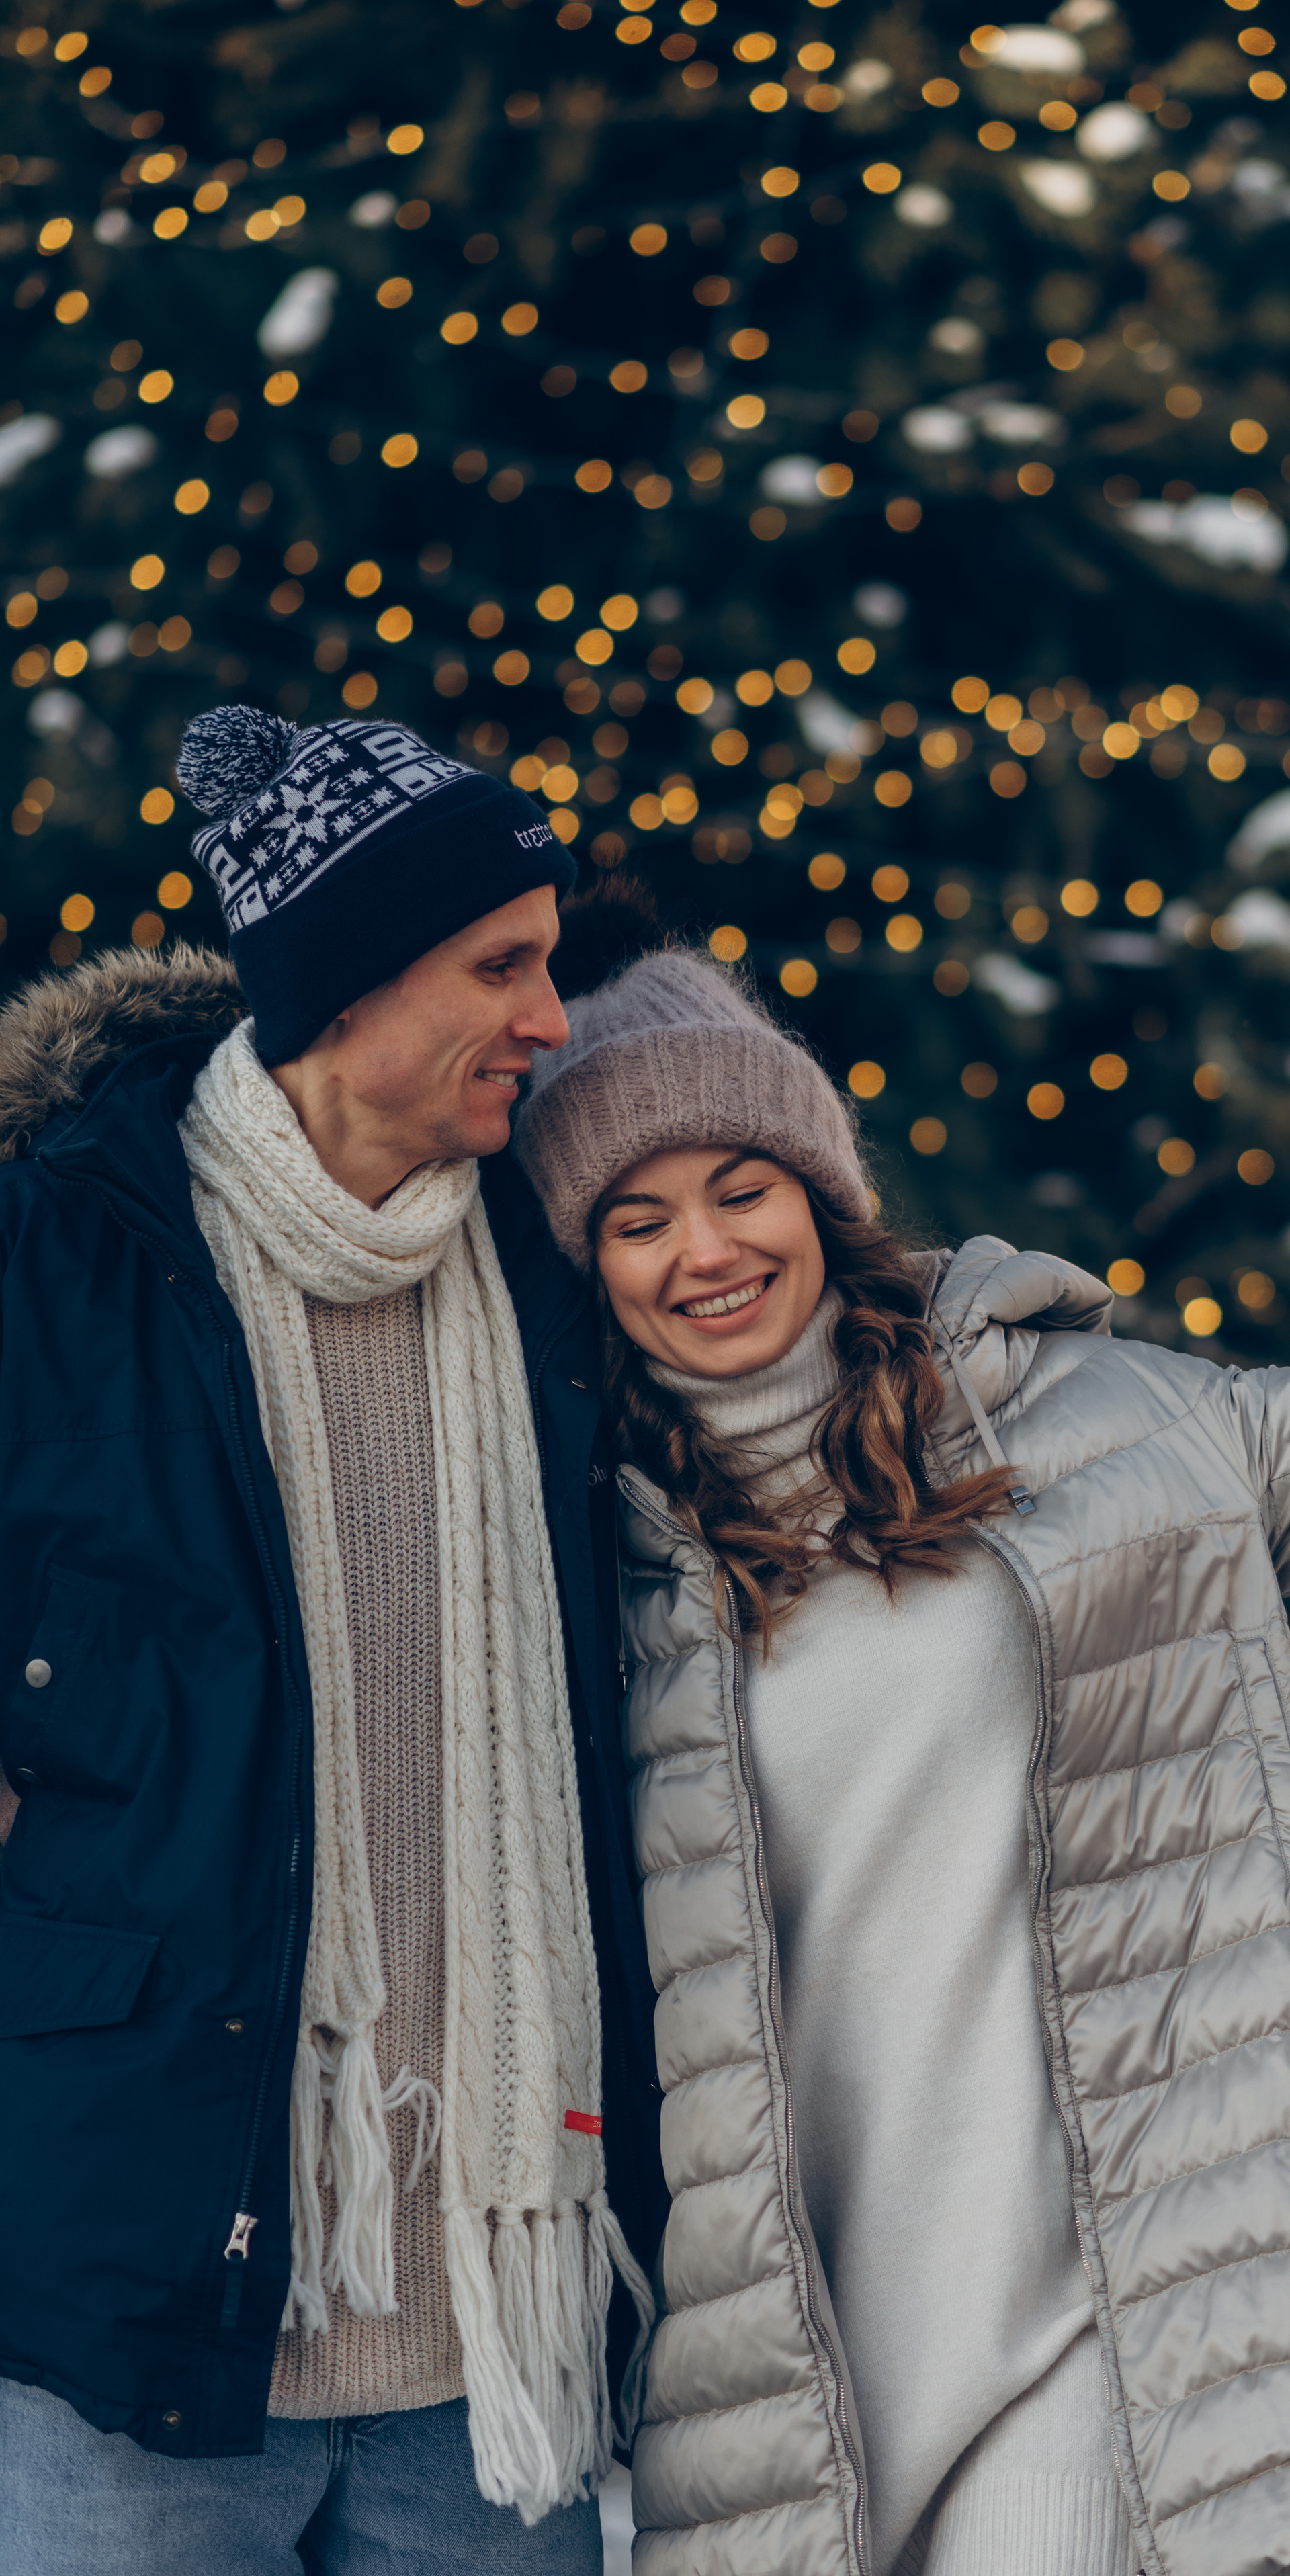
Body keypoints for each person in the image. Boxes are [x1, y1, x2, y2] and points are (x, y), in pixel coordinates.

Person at [514, 913, 1290, 2576]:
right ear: (585, 1260)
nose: (702, 1250)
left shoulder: (1106, 1427)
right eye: (634, 1218)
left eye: (741, 1188)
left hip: (1125, 2289)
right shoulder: (603, 1564)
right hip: (819, 2366)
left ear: (817, 1194)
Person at [0, 708, 660, 2576]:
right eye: (503, 967)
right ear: (349, 983)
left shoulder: (553, 1276)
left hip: (494, 2352)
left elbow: (795, 1355)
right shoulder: (59, 1257)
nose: (552, 1019)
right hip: (140, 2318)